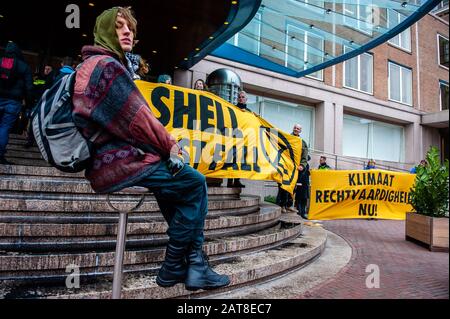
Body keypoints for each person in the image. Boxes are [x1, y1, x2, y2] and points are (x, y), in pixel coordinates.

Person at [71, 6, 230, 290]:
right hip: (117, 163)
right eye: (119, 26)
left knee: (177, 189)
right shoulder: (107, 67)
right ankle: (175, 266)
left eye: (130, 28)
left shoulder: (97, 65)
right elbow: (139, 120)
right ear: (105, 31)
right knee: (195, 183)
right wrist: (172, 146)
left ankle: (195, 267)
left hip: (115, 161)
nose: (127, 32)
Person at [0, 41, 33, 164]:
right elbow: (29, 87)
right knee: (4, 127)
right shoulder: (23, 66)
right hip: (13, 102)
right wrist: (29, 104)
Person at [227, 90, 248, 188]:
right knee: (232, 159)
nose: (241, 98)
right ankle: (229, 181)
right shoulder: (233, 108)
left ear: (246, 99)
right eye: (239, 97)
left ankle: (237, 180)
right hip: (234, 137)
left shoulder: (249, 112)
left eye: (243, 97)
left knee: (240, 160)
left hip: (243, 139)